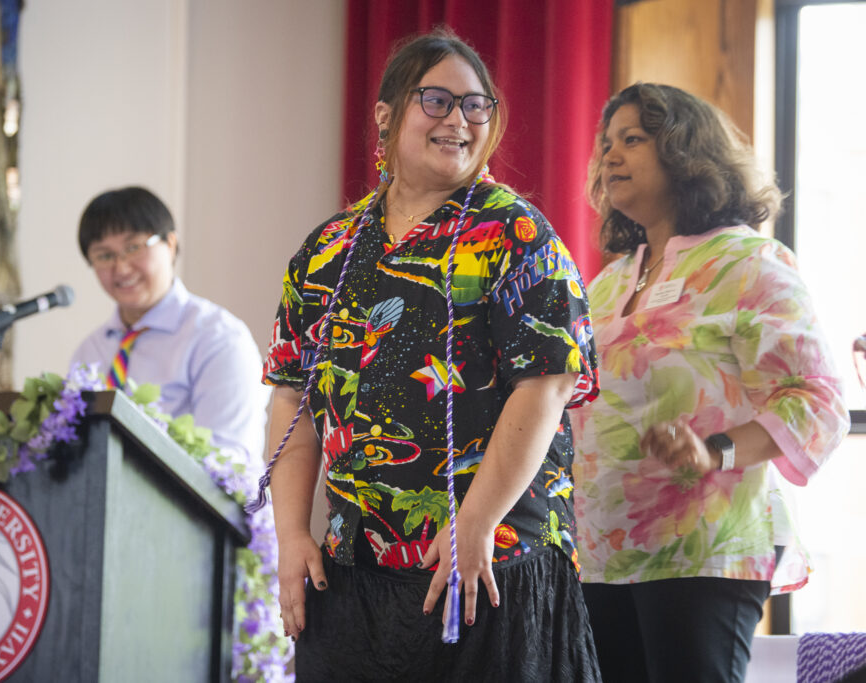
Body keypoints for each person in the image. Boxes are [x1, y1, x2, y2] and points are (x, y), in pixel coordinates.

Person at [254, 30, 601, 681]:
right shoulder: (328, 249)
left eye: (476, 105)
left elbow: (548, 384)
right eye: (436, 100)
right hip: (355, 565)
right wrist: (292, 533)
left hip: (489, 559)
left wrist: (476, 521)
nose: (459, 120)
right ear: (385, 117)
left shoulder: (515, 231)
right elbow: (291, 395)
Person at [571, 83, 850, 682]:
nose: (610, 156)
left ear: (684, 153)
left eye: (632, 139)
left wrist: (714, 449)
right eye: (607, 143)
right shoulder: (607, 285)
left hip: (703, 545)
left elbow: (817, 400)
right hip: (601, 555)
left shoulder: (749, 263)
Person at [69, 186, 269, 464]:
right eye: (104, 255)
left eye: (133, 248)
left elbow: (228, 460)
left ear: (171, 244)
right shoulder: (89, 351)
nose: (121, 268)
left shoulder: (219, 339)